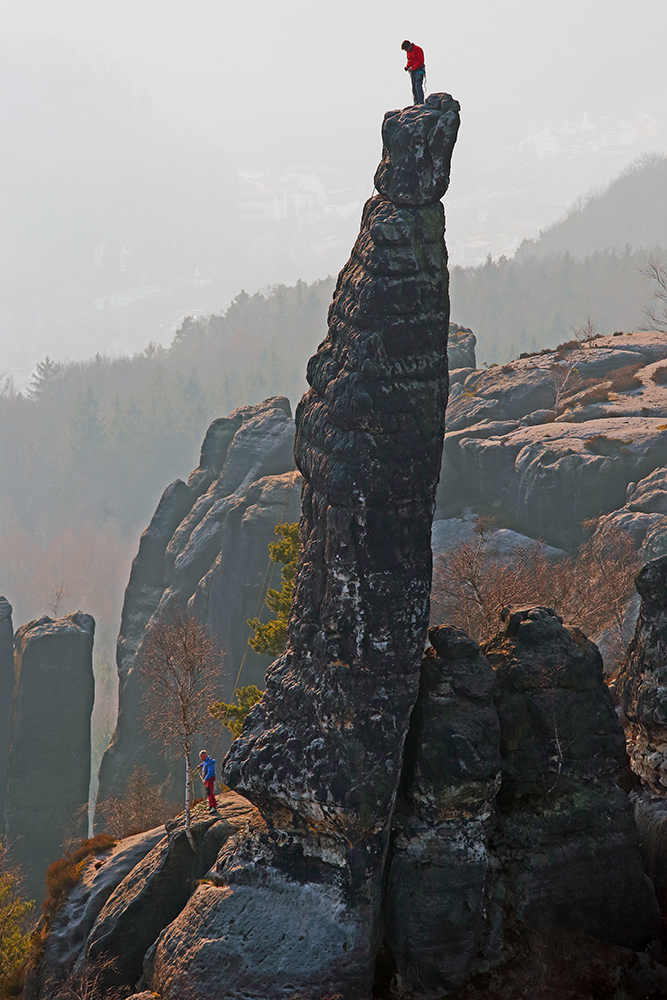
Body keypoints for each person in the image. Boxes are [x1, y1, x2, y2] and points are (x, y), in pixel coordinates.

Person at [401, 40, 425, 105]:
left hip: (419, 70)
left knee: (418, 86)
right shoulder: (409, 52)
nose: (406, 51)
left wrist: (413, 68)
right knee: (414, 88)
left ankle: (421, 102)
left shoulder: (418, 49)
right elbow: (410, 61)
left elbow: (421, 61)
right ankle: (416, 103)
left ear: (409, 46)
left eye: (406, 49)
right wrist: (407, 66)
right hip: (413, 72)